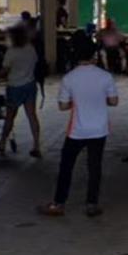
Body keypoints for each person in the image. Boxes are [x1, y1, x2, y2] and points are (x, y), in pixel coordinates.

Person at [38, 34, 118, 217]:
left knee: (66, 166)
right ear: (94, 55)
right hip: (99, 129)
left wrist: (77, 102)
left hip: (77, 130)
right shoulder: (105, 76)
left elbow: (62, 106)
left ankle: (58, 203)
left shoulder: (69, 78)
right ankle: (92, 203)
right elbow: (113, 102)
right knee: (94, 166)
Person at [0, 25, 42, 158]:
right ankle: (36, 145)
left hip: (14, 87)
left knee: (10, 116)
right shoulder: (30, 49)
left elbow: (5, 70)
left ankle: (2, 142)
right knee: (32, 116)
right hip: (30, 85)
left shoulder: (12, 51)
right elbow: (35, 63)